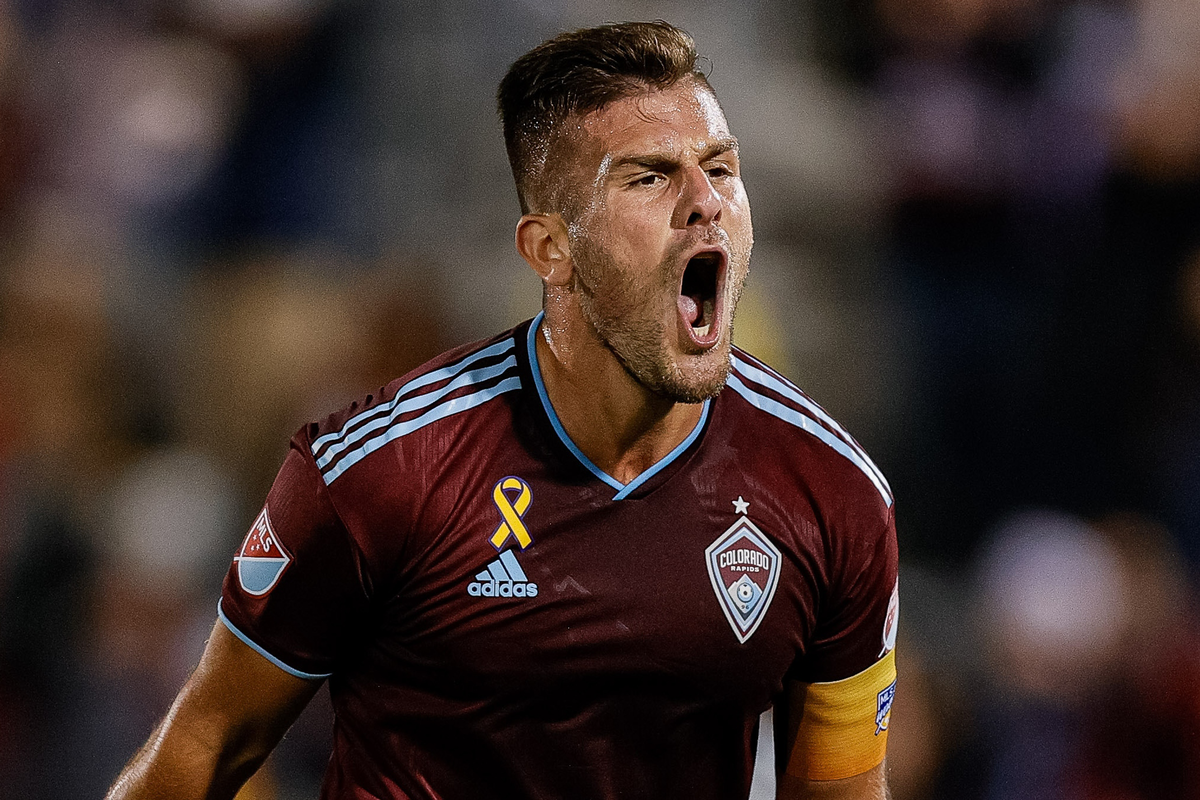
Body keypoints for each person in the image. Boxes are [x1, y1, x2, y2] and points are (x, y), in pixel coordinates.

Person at [106, 20, 898, 800]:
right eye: (649, 177)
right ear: (549, 248)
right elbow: (203, 747)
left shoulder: (832, 495)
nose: (706, 203)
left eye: (721, 169)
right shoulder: (384, 473)